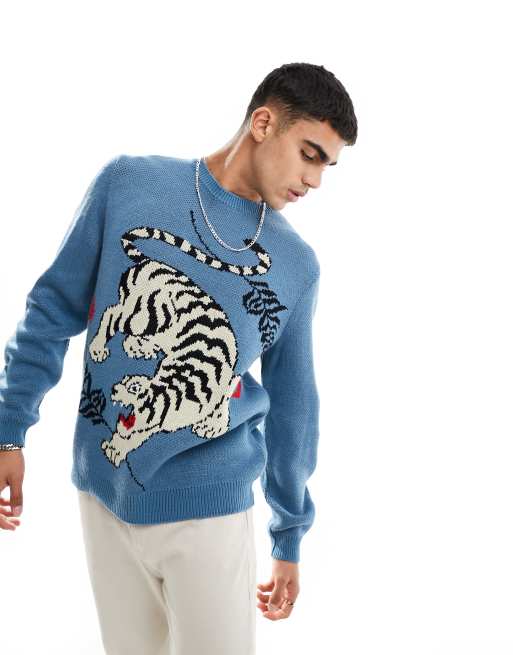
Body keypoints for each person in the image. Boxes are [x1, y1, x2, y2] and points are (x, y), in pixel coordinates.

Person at [0, 61, 357, 654]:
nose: (315, 180)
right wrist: (9, 430)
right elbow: (53, 308)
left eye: (328, 166)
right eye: (310, 154)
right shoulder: (128, 183)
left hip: (209, 511)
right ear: (264, 124)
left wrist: (289, 535)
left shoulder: (295, 266)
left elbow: (296, 407)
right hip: (103, 495)